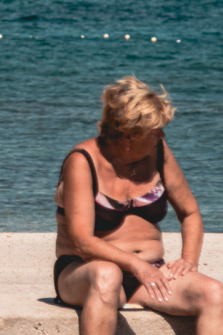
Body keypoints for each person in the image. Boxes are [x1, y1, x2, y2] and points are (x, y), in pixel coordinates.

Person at [53, 77, 222, 335]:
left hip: (150, 274)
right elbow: (82, 242)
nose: (163, 135)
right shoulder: (82, 161)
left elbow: (190, 213)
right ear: (129, 134)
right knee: (107, 275)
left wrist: (189, 259)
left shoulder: (158, 152)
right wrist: (136, 265)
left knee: (215, 293)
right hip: (84, 271)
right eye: (156, 131)